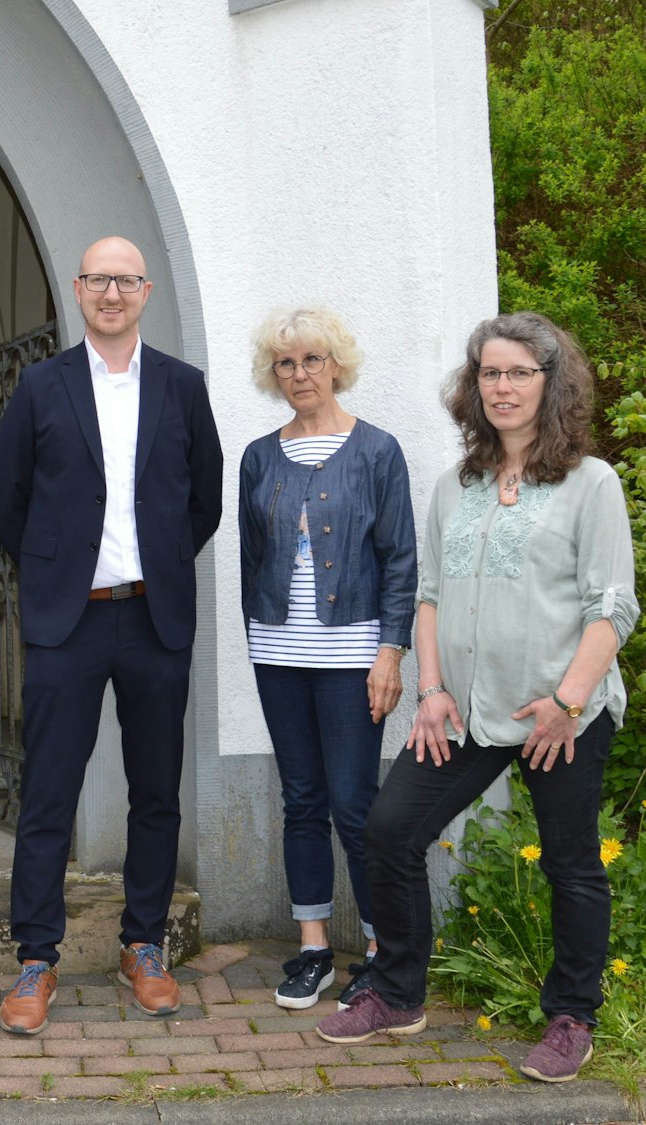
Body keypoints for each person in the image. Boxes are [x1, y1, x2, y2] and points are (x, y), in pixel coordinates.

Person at [315, 312, 638, 1085]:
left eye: (519, 372)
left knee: (570, 860)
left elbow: (612, 607)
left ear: (550, 383)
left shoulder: (591, 483)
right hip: (461, 709)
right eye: (490, 372)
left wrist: (568, 698)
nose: (502, 386)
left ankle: (572, 1016)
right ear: (474, 386)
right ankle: (397, 992)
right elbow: (428, 595)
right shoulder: (454, 485)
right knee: (389, 830)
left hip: (557, 714)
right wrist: (429, 690)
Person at [0, 236, 224, 1036]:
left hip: (154, 616)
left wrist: (153, 561)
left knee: (156, 790)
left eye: (125, 280)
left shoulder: (183, 388)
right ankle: (36, 958)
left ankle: (143, 945)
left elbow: (205, 500)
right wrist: (56, 572)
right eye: (98, 280)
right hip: (68, 619)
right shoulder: (40, 385)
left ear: (146, 291)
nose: (111, 293)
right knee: (49, 791)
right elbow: (6, 499)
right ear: (78, 289)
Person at [238, 308, 415, 1009]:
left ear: (336, 363)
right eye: (286, 363)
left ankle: (377, 948)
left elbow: (399, 558)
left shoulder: (376, 451)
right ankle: (312, 945)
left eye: (312, 359)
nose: (299, 373)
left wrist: (389, 652)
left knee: (353, 803)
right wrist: (256, 636)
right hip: (278, 652)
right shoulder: (259, 455)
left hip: (352, 653)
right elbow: (253, 558)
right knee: (302, 800)